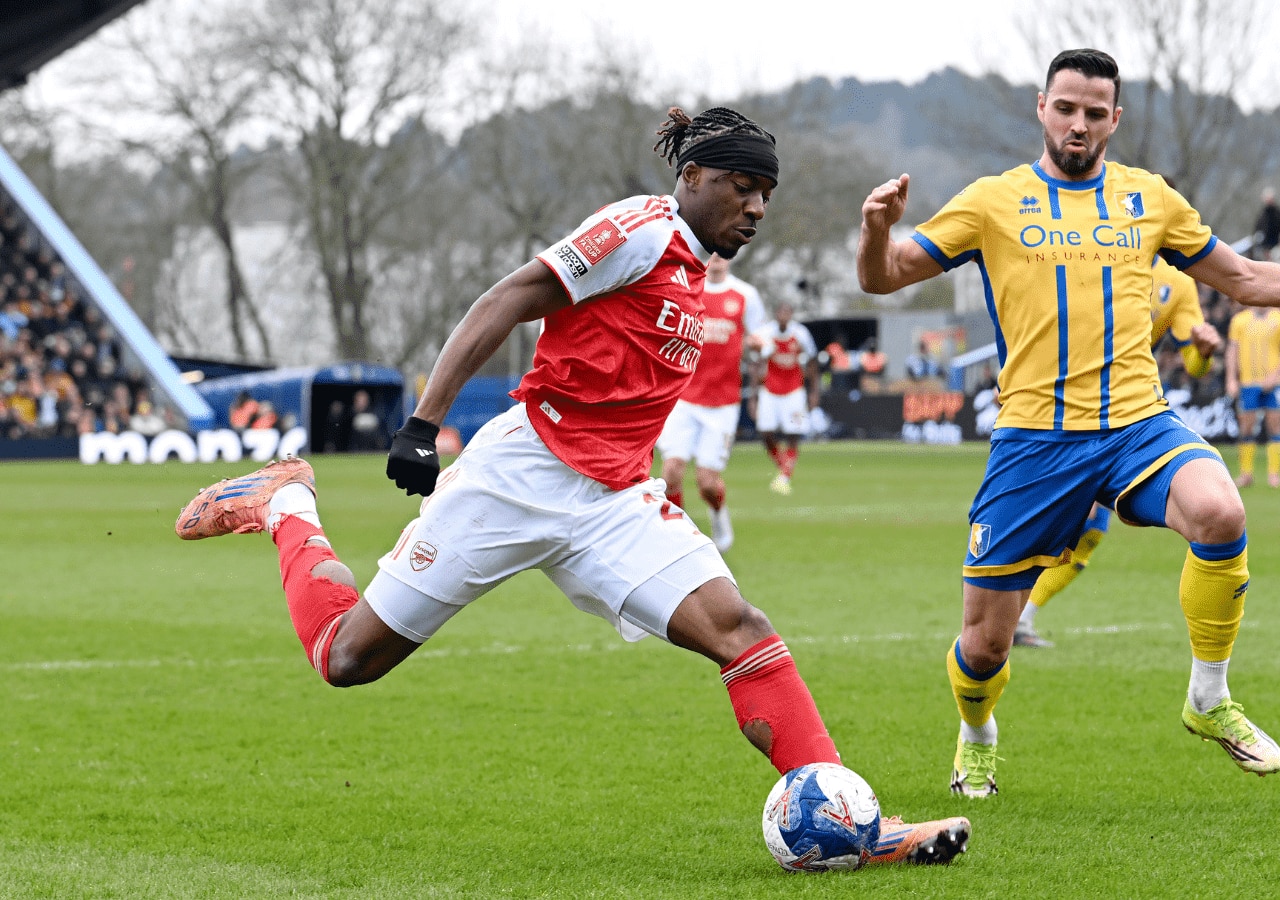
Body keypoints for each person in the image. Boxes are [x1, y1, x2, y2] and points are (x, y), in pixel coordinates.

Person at [175, 106, 969, 864]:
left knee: (741, 629)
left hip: (615, 501)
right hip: (517, 479)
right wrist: (422, 423)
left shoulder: (698, 270)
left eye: (767, 194)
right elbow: (510, 297)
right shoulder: (640, 230)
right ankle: (287, 503)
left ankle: (855, 826)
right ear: (693, 177)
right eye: (743, 187)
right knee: (347, 658)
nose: (757, 207)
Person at [855, 49, 1280, 797]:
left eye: (1094, 112)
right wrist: (875, 230)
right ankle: (977, 733)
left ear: (1115, 119)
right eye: (1065, 108)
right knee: (984, 645)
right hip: (1035, 441)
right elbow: (883, 276)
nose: (1078, 124)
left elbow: (1244, 278)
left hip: (1136, 423)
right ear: (1041, 108)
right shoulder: (991, 202)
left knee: (1220, 510)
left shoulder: (1149, 199)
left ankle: (1209, 696)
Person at [1014, 253, 1223, 649]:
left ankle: (1015, 620)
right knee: (1056, 523)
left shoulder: (1177, 282)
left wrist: (1204, 351)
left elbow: (1195, 366)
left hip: (1120, 412)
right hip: (1059, 404)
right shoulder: (1091, 250)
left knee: (1088, 528)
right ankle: (999, 620)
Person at [655, 252, 766, 552]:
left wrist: (758, 346)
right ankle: (679, 536)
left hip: (723, 402)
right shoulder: (688, 287)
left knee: (707, 483)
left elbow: (760, 341)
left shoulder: (745, 294)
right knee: (671, 472)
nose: (717, 257)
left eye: (723, 252)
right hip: (683, 397)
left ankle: (718, 515)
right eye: (712, 250)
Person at [1227, 306, 1280, 488]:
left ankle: (1274, 474)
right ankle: (1246, 474)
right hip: (1248, 382)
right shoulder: (1240, 320)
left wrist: (1276, 375)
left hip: (1274, 383)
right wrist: (1231, 379)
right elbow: (1232, 350)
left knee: (1275, 423)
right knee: (1246, 426)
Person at [752, 301, 818, 495]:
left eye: (787, 312)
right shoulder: (765, 333)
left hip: (794, 391)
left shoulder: (801, 333)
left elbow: (812, 361)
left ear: (791, 314)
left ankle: (784, 476)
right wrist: (753, 397)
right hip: (770, 390)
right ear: (776, 314)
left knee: (794, 434)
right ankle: (784, 468)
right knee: (766, 433)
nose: (783, 316)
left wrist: (814, 391)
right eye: (781, 312)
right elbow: (756, 363)